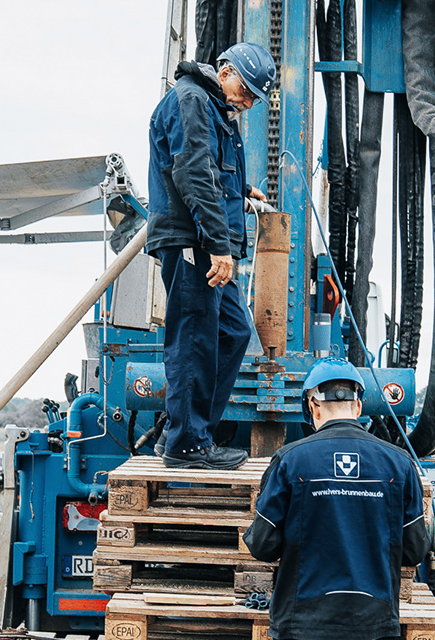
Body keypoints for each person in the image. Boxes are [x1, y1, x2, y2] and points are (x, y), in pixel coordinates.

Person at [145, 41, 277, 470]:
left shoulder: (214, 107)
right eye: (248, 91)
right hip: (193, 242)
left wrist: (243, 190)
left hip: (206, 241)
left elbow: (212, 171)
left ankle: (187, 431)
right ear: (224, 71)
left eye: (256, 97)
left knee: (233, 333)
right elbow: (192, 173)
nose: (250, 102)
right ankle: (186, 444)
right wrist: (219, 246)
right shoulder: (192, 100)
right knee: (193, 339)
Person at [243, 358, 431, 640]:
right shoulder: (399, 464)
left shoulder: (289, 461)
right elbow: (415, 551)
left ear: (313, 407)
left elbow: (262, 545)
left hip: (302, 625)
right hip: (374, 625)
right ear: (358, 406)